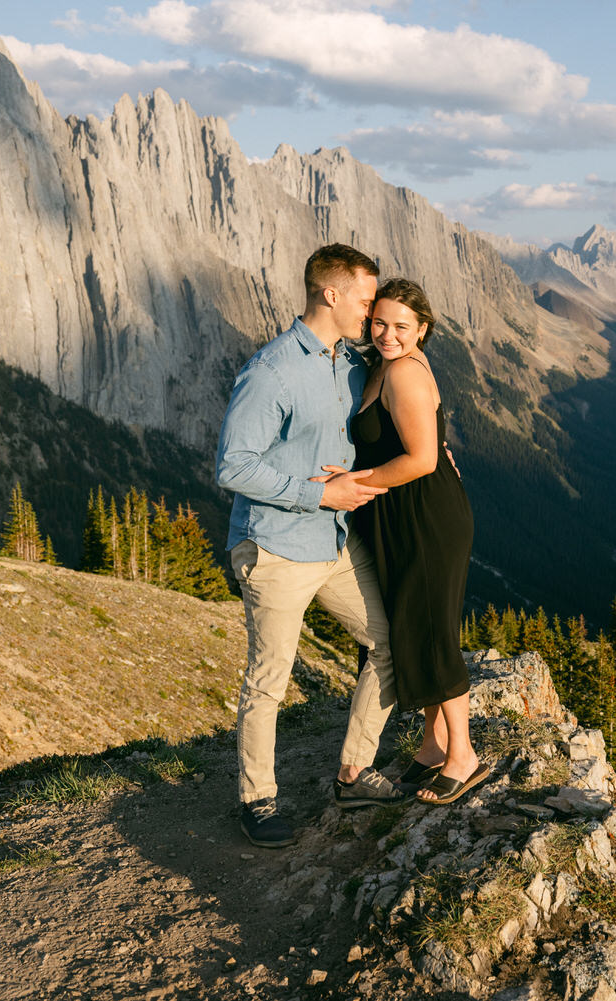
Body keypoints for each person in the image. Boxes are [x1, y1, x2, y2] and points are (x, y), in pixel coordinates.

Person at [215, 243, 407, 850]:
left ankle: (353, 771)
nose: (372, 311)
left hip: (334, 544)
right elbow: (232, 465)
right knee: (269, 679)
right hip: (274, 546)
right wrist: (314, 494)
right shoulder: (271, 371)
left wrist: (432, 450)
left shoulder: (349, 362)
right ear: (331, 294)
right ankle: (257, 799)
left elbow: (373, 428)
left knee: (387, 643)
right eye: (364, 298)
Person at [340, 278, 484, 805]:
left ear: (422, 330)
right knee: (411, 627)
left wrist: (354, 484)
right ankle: (432, 745)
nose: (387, 334)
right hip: (402, 516)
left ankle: (463, 755)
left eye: (402, 326)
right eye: (379, 322)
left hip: (425, 518)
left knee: (431, 632)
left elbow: (422, 459)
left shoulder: (403, 372)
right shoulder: (379, 366)